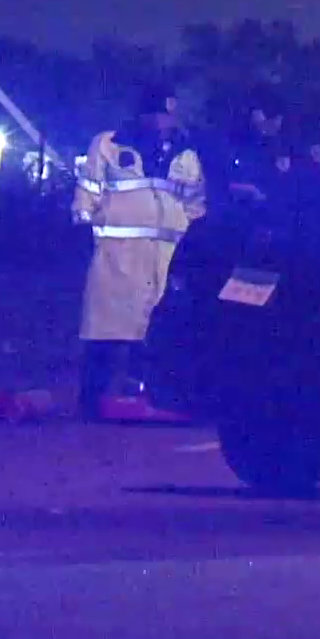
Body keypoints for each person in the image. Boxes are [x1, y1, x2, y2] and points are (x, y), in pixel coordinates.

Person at [73, 83, 207, 422]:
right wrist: (85, 224)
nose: (165, 121)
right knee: (105, 331)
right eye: (161, 113)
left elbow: (196, 203)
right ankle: (93, 400)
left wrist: (185, 234)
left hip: (165, 256)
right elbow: (88, 191)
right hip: (116, 254)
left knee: (153, 330)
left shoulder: (187, 154)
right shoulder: (109, 145)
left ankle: (148, 399)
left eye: (169, 114)